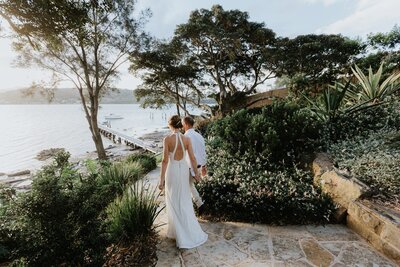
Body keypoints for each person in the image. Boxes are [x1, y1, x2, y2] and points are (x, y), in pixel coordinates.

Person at [158, 115, 208, 249]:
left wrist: (161, 180)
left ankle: (179, 233)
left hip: (172, 171)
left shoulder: (167, 139)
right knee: (185, 199)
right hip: (184, 170)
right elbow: (192, 158)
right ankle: (186, 230)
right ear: (180, 125)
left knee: (173, 199)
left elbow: (164, 161)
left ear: (170, 125)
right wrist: (197, 174)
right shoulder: (186, 139)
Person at [182, 116, 206, 214]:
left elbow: (190, 156)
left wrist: (193, 172)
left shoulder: (186, 137)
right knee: (189, 185)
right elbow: (203, 151)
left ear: (187, 124)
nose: (182, 126)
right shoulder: (199, 135)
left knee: (188, 185)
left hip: (192, 166)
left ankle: (199, 204)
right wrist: (204, 166)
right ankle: (197, 205)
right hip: (200, 165)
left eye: (183, 124)